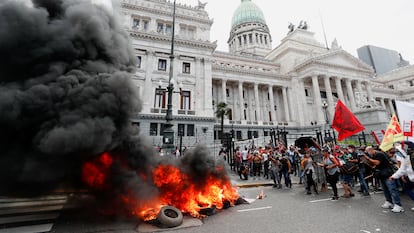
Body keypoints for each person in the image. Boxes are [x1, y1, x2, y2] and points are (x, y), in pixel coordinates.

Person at [364, 146, 404, 213]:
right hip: (381, 174)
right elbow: (373, 165)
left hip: (387, 174)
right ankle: (389, 202)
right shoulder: (373, 155)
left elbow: (377, 163)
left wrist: (367, 158)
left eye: (368, 151)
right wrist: (366, 161)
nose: (367, 153)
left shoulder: (379, 154)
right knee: (385, 190)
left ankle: (398, 205)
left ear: (371, 150)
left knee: (392, 190)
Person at [390, 143, 414, 211]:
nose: (398, 153)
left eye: (398, 151)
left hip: (411, 177)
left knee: (407, 189)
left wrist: (393, 176)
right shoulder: (406, 158)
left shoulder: (408, 158)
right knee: (407, 189)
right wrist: (394, 176)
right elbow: (402, 169)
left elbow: (402, 169)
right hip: (410, 177)